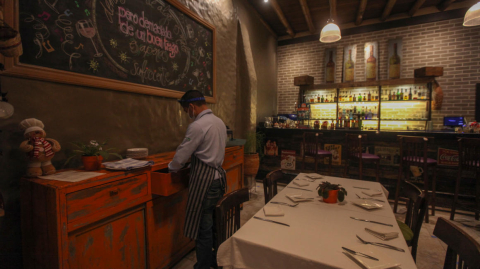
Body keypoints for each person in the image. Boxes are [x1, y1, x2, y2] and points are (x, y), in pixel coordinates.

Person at [168, 90, 227, 269]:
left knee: (204, 228)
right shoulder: (219, 122)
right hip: (218, 179)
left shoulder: (198, 125)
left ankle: (202, 265)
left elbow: (182, 154)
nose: (188, 115)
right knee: (216, 224)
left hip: (205, 182)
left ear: (192, 107)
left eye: (187, 111)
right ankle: (217, 261)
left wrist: (171, 168)